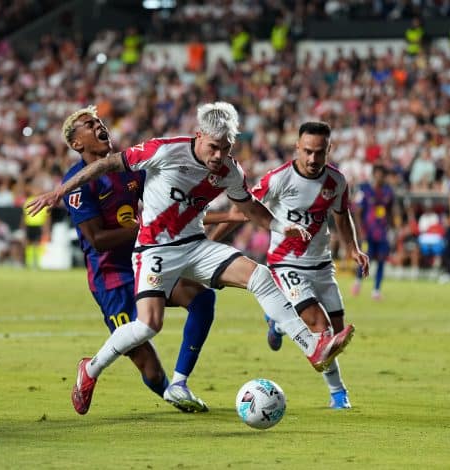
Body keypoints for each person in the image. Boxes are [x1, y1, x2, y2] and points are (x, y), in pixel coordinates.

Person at [27, 102, 355, 415]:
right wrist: (59, 191)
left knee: (259, 276)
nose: (218, 156)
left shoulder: (229, 170)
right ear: (199, 136)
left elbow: (249, 209)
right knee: (147, 326)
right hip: (154, 250)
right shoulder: (163, 150)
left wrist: (284, 227)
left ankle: (311, 346)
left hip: (195, 246)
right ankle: (92, 367)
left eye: (225, 148)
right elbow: (107, 165)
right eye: (213, 147)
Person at [60, 105, 217, 412]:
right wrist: (146, 227)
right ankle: (91, 369)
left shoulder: (131, 168)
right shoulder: (78, 183)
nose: (98, 126)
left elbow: (170, 204)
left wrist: (219, 212)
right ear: (77, 143)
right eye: (88, 125)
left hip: (143, 261)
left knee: (202, 299)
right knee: (150, 369)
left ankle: (179, 386)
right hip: (111, 280)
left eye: (99, 121)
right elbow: (97, 240)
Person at [210, 121, 369, 409]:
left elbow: (341, 215)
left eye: (319, 153)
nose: (312, 159)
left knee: (335, 331)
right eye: (307, 151)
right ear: (297, 147)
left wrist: (353, 248)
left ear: (328, 150)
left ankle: (279, 324)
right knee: (321, 329)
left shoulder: (336, 181)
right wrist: (211, 243)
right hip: (286, 264)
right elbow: (242, 210)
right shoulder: (279, 179)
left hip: (321, 265)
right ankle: (338, 395)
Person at [352, 165, 394, 300]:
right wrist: (360, 231)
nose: (380, 177)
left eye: (383, 174)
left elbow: (390, 211)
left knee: (381, 259)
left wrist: (391, 227)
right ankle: (358, 282)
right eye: (378, 174)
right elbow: (357, 212)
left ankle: (376, 290)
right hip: (368, 231)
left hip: (382, 233)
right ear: (374, 174)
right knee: (365, 258)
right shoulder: (364, 190)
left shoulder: (388, 192)